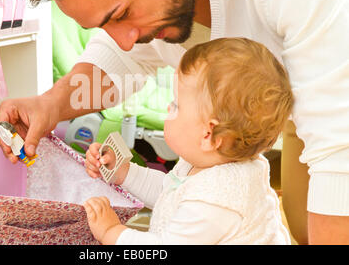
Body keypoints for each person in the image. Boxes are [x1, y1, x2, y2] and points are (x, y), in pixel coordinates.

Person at [0, 0, 349, 244]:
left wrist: (116, 236)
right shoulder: (204, 170)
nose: (125, 39)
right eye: (105, 25)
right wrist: (50, 106)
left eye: (122, 13)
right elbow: (117, 58)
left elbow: (338, 155)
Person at [83, 38, 293, 244]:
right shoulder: (208, 163)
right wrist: (124, 172)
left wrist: (112, 232)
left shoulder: (216, 200)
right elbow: (169, 194)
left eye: (176, 105)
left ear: (207, 135)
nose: (168, 108)